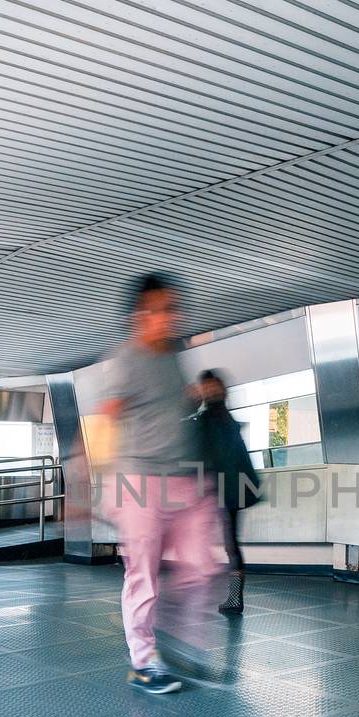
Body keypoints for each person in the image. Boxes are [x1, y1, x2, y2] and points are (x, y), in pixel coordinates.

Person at [97, 274, 221, 694]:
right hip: (137, 480)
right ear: (140, 315)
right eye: (161, 309)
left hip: (184, 479)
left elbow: (174, 407)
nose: (170, 317)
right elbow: (107, 417)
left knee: (204, 566)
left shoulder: (173, 357)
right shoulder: (125, 359)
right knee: (143, 574)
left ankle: (183, 641)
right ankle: (143, 661)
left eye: (174, 308)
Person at [194, 370, 260, 615]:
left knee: (206, 539)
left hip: (217, 491)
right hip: (234, 490)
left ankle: (228, 597)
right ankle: (234, 598)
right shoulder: (227, 420)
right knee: (231, 543)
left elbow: (198, 456)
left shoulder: (205, 421)